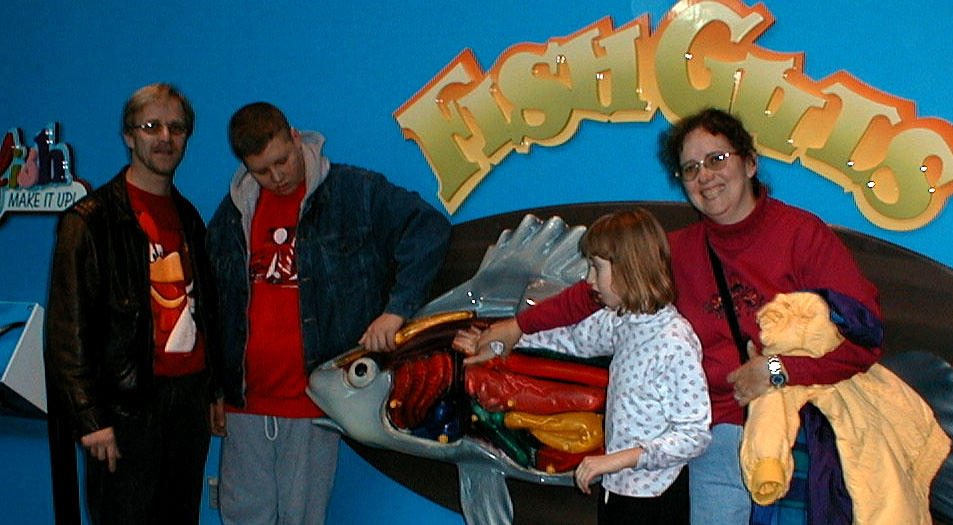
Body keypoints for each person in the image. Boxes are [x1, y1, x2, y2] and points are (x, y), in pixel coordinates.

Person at [473, 108, 882, 524]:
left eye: (717, 159)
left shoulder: (802, 235)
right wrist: (516, 326)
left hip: (801, 434)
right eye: (691, 168)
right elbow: (594, 294)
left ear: (750, 162)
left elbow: (865, 341)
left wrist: (777, 369)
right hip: (719, 433)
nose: (705, 175)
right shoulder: (678, 251)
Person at [207, 102, 451, 525]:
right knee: (240, 518)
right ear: (246, 167)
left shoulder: (355, 192)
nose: (277, 176)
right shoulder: (232, 214)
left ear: (296, 136)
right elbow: (212, 303)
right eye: (262, 170)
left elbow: (429, 229)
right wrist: (213, 387)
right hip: (244, 405)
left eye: (282, 160)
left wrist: (397, 311)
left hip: (313, 402)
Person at [456, 209, 711, 524]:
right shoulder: (626, 320)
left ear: (629, 270)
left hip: (655, 498)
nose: (589, 280)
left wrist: (616, 460)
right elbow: (571, 339)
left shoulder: (674, 343)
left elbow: (694, 434)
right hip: (618, 489)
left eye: (596, 268)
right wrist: (498, 341)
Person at [45, 83, 224, 524]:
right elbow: (67, 333)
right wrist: (90, 419)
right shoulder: (90, 221)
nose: (165, 137)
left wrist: (214, 389)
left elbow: (207, 313)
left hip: (187, 407)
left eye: (176, 128)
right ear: (129, 136)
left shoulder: (190, 218)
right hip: (124, 411)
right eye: (151, 126)